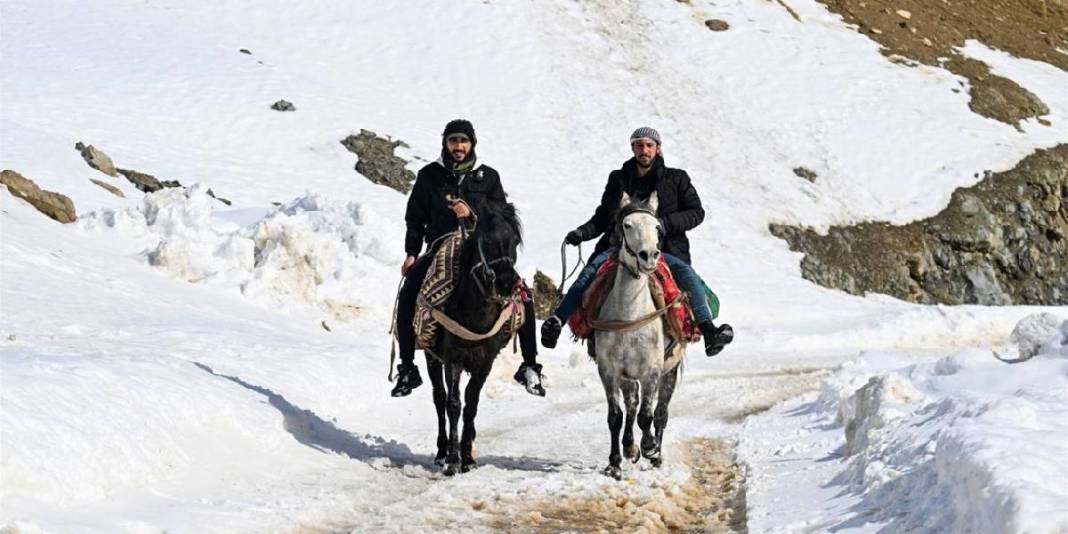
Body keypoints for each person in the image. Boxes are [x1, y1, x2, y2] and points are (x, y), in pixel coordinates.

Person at [540, 127, 734, 356]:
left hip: (662, 249)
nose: (644, 150)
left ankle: (708, 331)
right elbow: (604, 216)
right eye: (639, 145)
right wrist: (582, 232)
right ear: (633, 148)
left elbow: (696, 212)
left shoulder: (677, 178)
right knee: (589, 273)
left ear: (658, 149)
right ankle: (556, 322)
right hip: (618, 247)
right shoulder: (618, 178)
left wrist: (665, 224)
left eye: (649, 145)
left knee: (685, 273)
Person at [392, 119, 544, 398]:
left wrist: (471, 211)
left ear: (472, 144)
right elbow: (414, 217)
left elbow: (502, 216)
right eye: (453, 141)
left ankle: (530, 366)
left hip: (481, 247)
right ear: (445, 143)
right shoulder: (429, 175)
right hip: (440, 245)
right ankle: (407, 368)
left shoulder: (488, 177)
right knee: (409, 290)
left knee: (523, 295)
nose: (458, 146)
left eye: (463, 141)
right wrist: (412, 253)